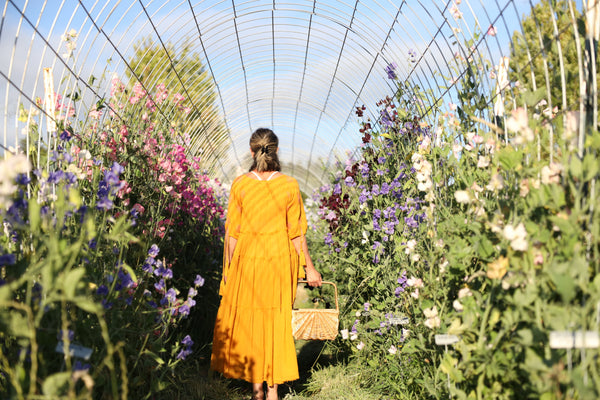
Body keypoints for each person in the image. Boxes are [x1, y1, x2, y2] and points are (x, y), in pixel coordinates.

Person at [210, 128, 322, 400]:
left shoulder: (240, 184)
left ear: (251, 151)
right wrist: (309, 266)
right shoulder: (289, 185)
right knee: (276, 320)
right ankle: (273, 392)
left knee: (251, 322)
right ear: (276, 150)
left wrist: (228, 270)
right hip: (278, 262)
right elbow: (296, 232)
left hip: (247, 261)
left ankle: (257, 390)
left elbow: (232, 234)